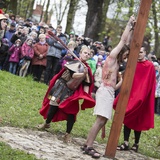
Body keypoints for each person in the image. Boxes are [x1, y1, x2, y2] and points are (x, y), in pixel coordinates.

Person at [81, 15, 135, 159]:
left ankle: (87, 144)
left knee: (102, 120)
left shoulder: (117, 65)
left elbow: (114, 86)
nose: (126, 57)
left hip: (109, 91)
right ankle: (89, 146)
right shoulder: (111, 58)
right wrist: (129, 25)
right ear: (121, 52)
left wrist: (122, 81)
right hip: (104, 91)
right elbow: (123, 41)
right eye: (126, 54)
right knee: (100, 120)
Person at [37, 46, 95, 143]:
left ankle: (67, 134)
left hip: (71, 91)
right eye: (85, 53)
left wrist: (86, 96)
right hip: (60, 86)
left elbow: (87, 83)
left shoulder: (87, 69)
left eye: (88, 54)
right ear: (80, 53)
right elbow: (73, 75)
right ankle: (46, 124)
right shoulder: (74, 63)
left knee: (72, 112)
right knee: (52, 107)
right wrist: (83, 74)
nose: (87, 55)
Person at [114, 46, 156, 152]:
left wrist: (145, 96)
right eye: (138, 52)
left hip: (143, 97)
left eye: (141, 52)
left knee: (138, 121)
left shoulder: (150, 66)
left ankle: (136, 144)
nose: (139, 54)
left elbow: (151, 83)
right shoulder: (133, 64)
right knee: (127, 117)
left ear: (145, 53)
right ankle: (126, 142)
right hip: (131, 95)